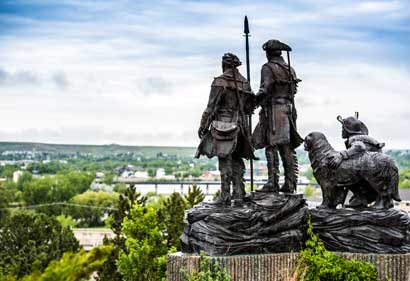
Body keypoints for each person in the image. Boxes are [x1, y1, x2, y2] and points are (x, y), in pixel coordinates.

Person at [195, 53, 256, 205]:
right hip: (242, 126)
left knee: (225, 159)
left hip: (224, 125)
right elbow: (249, 108)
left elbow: (211, 107)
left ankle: (225, 196)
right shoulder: (245, 83)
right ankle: (239, 193)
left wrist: (203, 125)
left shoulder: (220, 81)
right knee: (237, 159)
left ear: (224, 64)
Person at [252, 39, 303, 193]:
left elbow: (265, 89)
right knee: (286, 148)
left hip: (274, 111)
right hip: (288, 110)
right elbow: (293, 91)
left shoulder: (267, 68)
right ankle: (290, 183)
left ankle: (272, 182)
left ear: (268, 53)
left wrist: (252, 102)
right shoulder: (290, 69)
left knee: (271, 146)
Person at [328, 113, 385, 207]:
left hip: (371, 170)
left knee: (345, 172)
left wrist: (341, 155)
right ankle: (360, 198)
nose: (342, 131)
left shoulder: (355, 139)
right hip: (370, 168)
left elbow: (359, 147)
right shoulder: (363, 138)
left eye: (343, 129)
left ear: (347, 130)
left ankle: (362, 198)